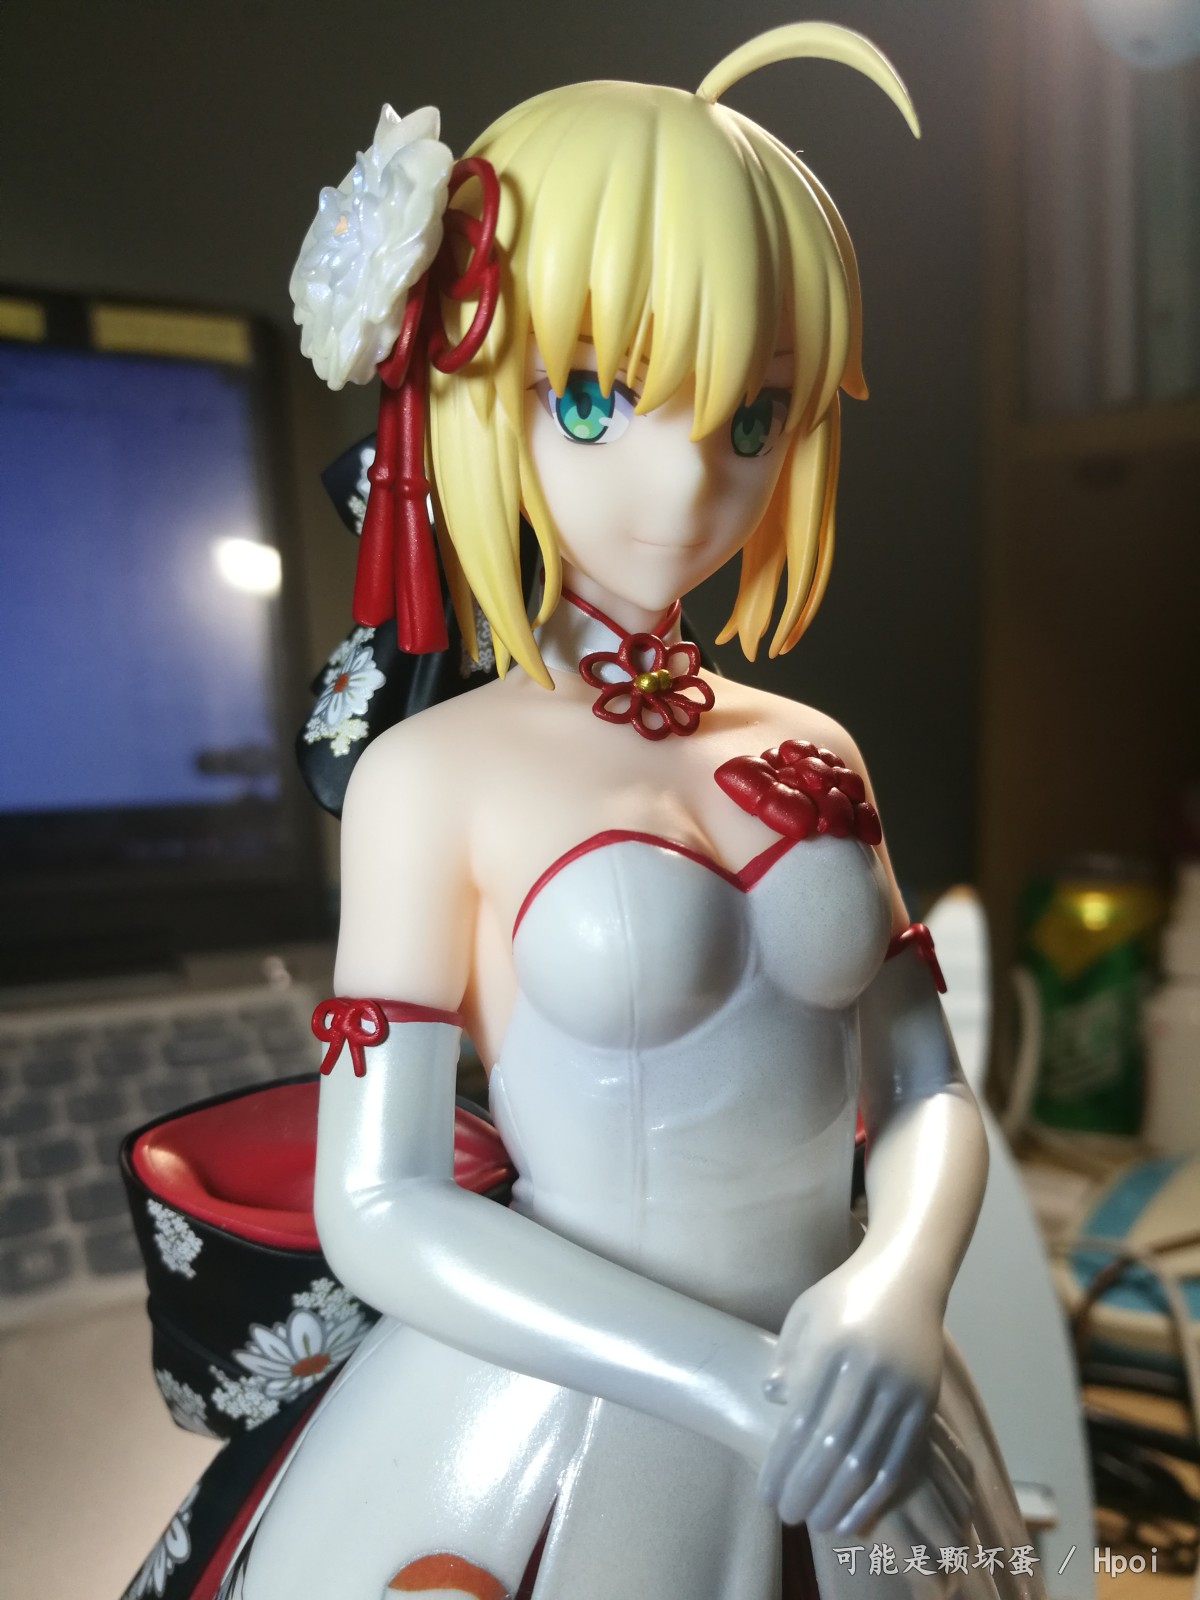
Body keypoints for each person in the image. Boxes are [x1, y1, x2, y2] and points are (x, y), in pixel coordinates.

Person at [194, 23, 1040, 1600]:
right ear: (463, 387)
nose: (689, 483)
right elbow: (376, 1200)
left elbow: (925, 1084)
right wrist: (727, 1382)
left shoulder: (818, 746)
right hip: (561, 1414)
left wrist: (901, 1287)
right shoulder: (430, 777)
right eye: (592, 397)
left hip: (854, 1383)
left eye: (751, 417)